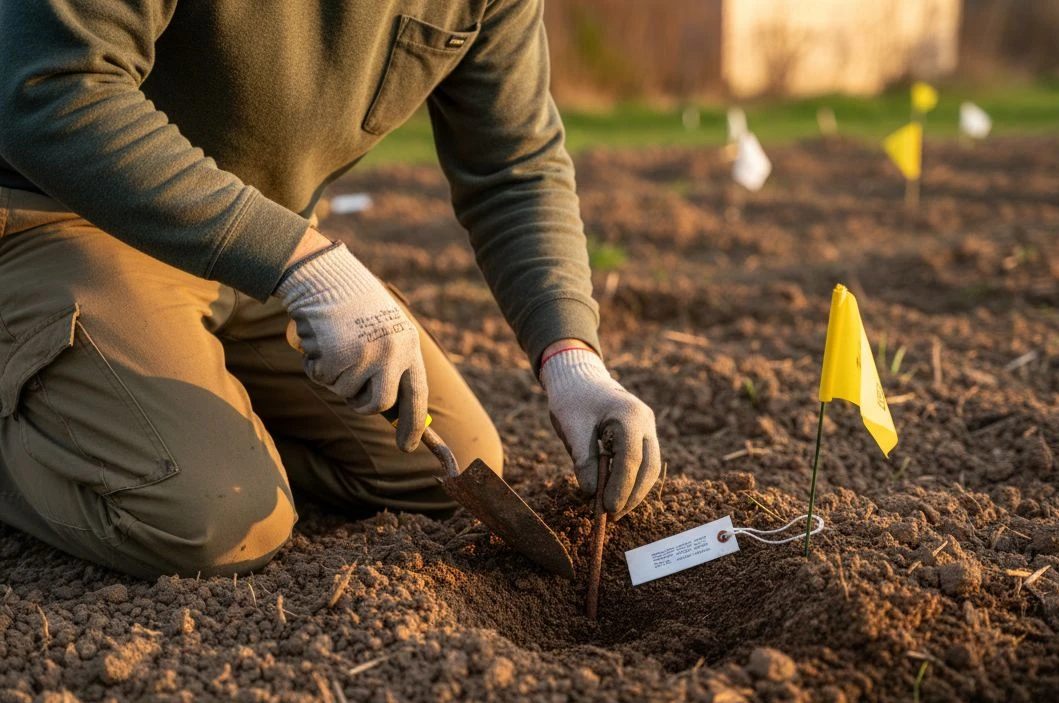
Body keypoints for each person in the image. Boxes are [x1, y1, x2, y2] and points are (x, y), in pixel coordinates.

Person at [0, 0, 661, 578]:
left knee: (451, 463)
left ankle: (145, 425)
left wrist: (572, 359)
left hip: (258, 241)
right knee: (212, 519)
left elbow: (514, 166)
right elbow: (53, 87)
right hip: (63, 214)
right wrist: (300, 261)